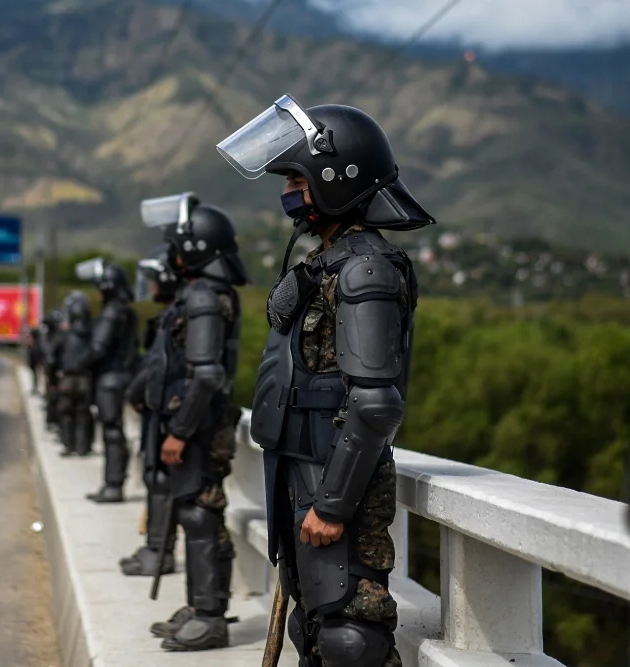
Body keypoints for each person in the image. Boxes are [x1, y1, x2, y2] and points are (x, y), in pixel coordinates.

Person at [216, 96, 435, 667]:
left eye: (297, 179)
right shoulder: (329, 261)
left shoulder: (366, 269)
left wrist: (333, 505)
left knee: (349, 632)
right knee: (312, 627)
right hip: (303, 469)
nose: (289, 192)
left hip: (336, 478)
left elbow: (375, 404)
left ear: (337, 178)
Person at [138, 192, 249, 652]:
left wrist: (178, 432)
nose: (173, 252)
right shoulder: (201, 293)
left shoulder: (204, 295)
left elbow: (205, 375)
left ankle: (210, 617)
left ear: (197, 247)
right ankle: (199, 607)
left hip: (197, 429)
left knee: (200, 515)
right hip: (194, 424)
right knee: (192, 512)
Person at [121, 245, 182, 577]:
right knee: (153, 478)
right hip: (156, 412)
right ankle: (154, 547)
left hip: (170, 415)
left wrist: (136, 391)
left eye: (155, 280)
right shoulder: (168, 316)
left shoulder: (183, 315)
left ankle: (160, 551)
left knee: (162, 483)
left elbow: (164, 366)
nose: (153, 288)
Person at [75, 258, 139, 504]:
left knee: (112, 433)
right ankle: (113, 482)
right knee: (115, 432)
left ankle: (113, 485)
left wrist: (77, 365)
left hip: (109, 380)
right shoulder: (127, 311)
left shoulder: (112, 312)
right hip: (123, 376)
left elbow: (98, 348)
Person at [56, 292, 95, 456]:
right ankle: (83, 446)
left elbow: (53, 356)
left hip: (67, 378)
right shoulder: (94, 333)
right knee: (83, 413)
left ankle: (68, 445)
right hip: (85, 379)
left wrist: (53, 378)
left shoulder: (65, 335)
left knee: (66, 413)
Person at [42, 308, 66, 432]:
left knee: (57, 397)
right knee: (53, 397)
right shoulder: (51, 335)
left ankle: (54, 421)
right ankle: (52, 421)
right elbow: (48, 352)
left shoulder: (60, 335)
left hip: (58, 371)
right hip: (54, 371)